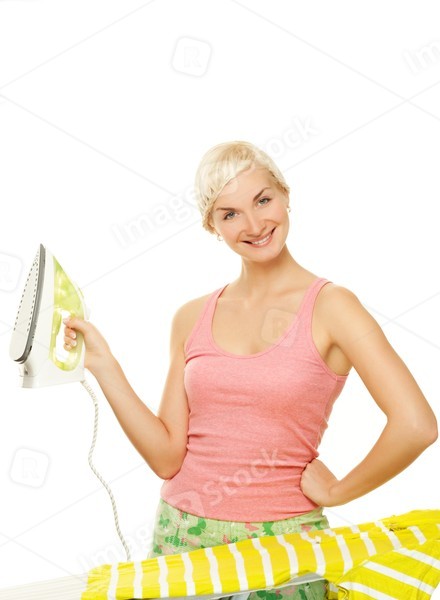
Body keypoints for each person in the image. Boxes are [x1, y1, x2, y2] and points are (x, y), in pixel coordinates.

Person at [63, 140, 438, 600]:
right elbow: (166, 458)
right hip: (181, 539)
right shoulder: (191, 316)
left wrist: (339, 491)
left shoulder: (333, 307)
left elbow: (417, 425)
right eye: (230, 213)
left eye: (263, 200)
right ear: (212, 225)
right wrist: (104, 365)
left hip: (283, 547)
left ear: (285, 194)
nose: (255, 225)